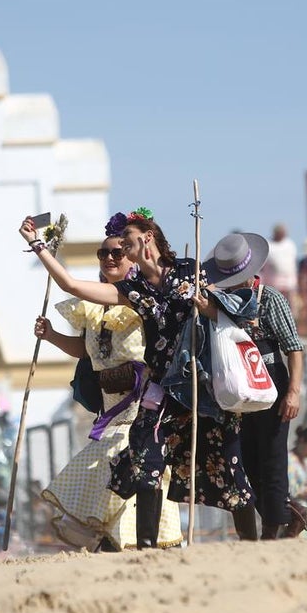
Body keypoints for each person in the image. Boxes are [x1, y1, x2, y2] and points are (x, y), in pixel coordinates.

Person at [19, 208, 253, 549]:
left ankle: (255, 544)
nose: (119, 251)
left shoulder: (192, 269)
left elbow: (231, 306)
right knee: (146, 465)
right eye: (110, 250)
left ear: (146, 238)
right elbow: (70, 285)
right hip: (161, 392)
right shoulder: (132, 289)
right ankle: (145, 549)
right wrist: (38, 244)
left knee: (227, 469)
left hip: (201, 388)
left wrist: (208, 307)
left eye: (125, 243)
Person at [34, 215, 182, 550]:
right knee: (117, 472)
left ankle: (126, 542)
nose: (110, 258)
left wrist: (38, 246)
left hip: (143, 407)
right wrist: (52, 335)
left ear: (132, 256)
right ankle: (121, 543)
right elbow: (86, 353)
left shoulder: (139, 297)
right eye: (103, 254)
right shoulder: (92, 307)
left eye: (118, 252)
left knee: (115, 461)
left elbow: (69, 284)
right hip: (108, 408)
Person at [205, 232, 307, 541]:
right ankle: (292, 515)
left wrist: (293, 391)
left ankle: (273, 529)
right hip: (238, 387)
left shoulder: (270, 298)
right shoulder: (220, 302)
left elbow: (294, 348)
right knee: (247, 459)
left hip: (271, 385)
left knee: (272, 457)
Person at [263, 222, 299, 300]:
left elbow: (294, 261)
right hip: (274, 282)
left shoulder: (290, 244)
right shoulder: (268, 244)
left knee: (291, 303)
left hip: (290, 281)